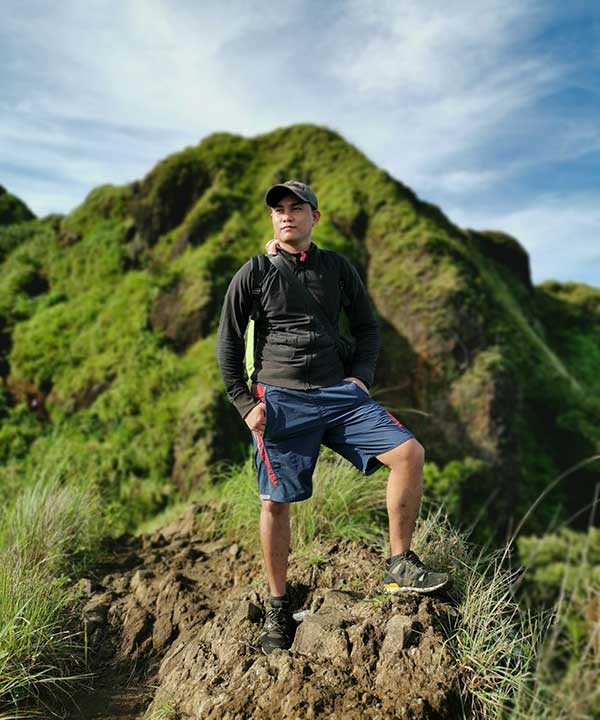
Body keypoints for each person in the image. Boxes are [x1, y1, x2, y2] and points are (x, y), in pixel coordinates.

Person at [216, 180, 449, 655]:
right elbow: (228, 341)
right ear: (272, 219)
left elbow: (367, 328)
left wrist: (361, 378)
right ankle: (278, 606)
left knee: (409, 454)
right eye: (278, 210)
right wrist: (245, 404)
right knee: (274, 503)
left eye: (296, 207)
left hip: (339, 394)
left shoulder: (338, 268)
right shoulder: (254, 272)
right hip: (279, 399)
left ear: (314, 217)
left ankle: (399, 565)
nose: (286, 215)